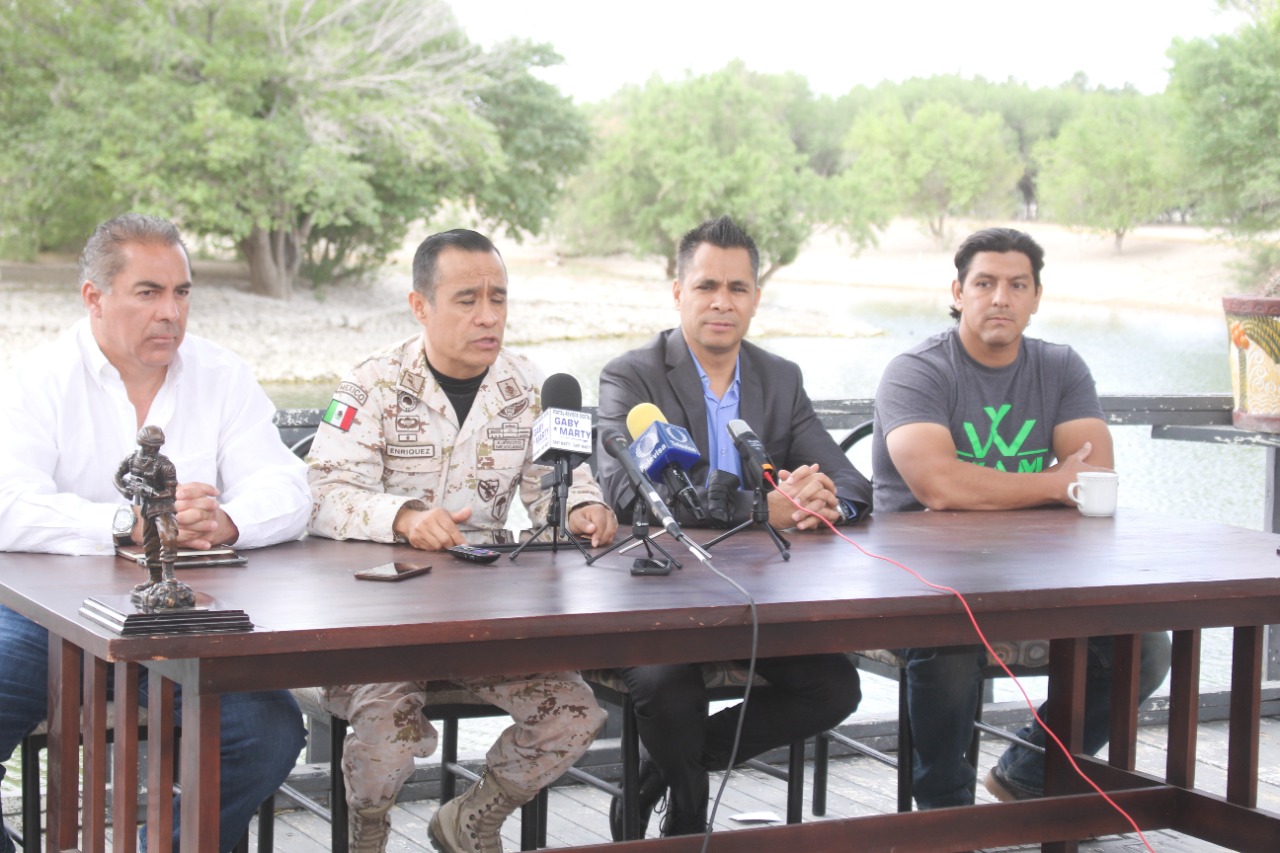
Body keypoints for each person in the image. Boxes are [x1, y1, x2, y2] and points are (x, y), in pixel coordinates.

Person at [0, 213, 311, 852]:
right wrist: (126, 524)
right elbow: (7, 504)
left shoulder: (221, 375)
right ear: (95, 297)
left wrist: (228, 522)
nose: (171, 312)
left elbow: (290, 489)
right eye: (149, 292)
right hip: (44, 621)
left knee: (270, 734)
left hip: (180, 623)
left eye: (182, 292)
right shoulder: (36, 380)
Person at [306, 228, 616, 853]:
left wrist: (583, 510)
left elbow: (560, 487)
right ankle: (368, 830)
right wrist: (402, 517)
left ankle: (474, 816)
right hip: (374, 617)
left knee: (573, 712)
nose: (488, 316)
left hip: (483, 614)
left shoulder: (529, 388)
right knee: (386, 725)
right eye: (468, 299)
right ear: (420, 305)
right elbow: (319, 494)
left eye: (499, 299)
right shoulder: (372, 384)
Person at [870, 226, 1172, 809]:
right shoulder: (917, 371)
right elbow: (940, 487)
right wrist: (1050, 485)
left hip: (1037, 578)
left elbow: (1092, 479)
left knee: (1146, 646)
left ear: (1036, 297)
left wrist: (1035, 487)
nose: (1000, 298)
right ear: (958, 291)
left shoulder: (1060, 368)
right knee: (952, 643)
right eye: (984, 283)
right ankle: (944, 814)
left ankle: (1028, 773)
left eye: (1017, 285)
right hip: (920, 583)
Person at [594, 215, 868, 838]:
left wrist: (823, 502)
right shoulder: (630, 376)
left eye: (737, 288)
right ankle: (689, 813)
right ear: (678, 292)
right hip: (655, 597)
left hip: (756, 601)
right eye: (707, 286)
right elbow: (629, 494)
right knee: (668, 690)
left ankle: (664, 773)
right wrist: (758, 509)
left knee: (834, 688)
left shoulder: (779, 378)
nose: (722, 302)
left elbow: (853, 483)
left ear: (755, 298)